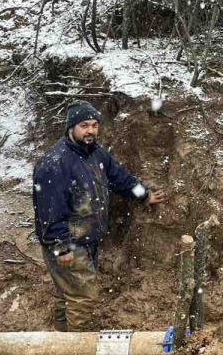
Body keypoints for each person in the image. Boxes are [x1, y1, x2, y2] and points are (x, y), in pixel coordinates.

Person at [33, 102, 166, 332]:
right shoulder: (55, 163)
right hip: (69, 243)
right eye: (84, 125)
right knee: (83, 298)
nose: (91, 131)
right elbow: (49, 210)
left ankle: (58, 346)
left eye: (94, 125)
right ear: (71, 127)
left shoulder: (96, 153)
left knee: (69, 293)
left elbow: (120, 178)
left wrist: (143, 195)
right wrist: (60, 247)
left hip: (87, 239)